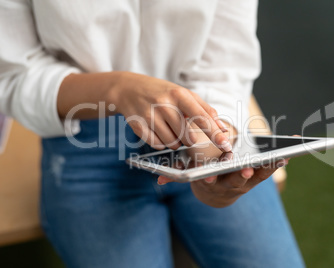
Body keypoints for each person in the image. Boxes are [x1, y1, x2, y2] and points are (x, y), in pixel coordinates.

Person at [0, 1, 305, 267]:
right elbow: (12, 76)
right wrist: (117, 89)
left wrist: (211, 156)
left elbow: (225, 62)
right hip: (83, 133)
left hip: (201, 118)